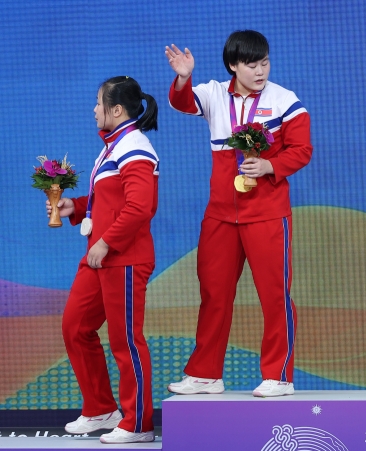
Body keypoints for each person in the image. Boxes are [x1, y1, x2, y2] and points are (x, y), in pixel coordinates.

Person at [164, 30, 312, 398]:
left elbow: (302, 149)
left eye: (265, 63)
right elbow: (182, 103)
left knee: (274, 294)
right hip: (220, 215)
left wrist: (269, 166)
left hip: (266, 213)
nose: (260, 71)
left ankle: (278, 376)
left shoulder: (284, 100)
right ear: (233, 65)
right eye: (251, 64)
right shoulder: (214, 94)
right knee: (214, 294)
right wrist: (183, 77)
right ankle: (206, 375)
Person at [46, 76, 159, 443]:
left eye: (98, 103)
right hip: (99, 257)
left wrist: (107, 242)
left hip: (123, 258)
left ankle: (138, 423)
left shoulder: (135, 147)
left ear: (116, 110)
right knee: (75, 327)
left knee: (126, 340)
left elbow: (141, 207)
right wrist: (75, 207)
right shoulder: (111, 147)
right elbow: (107, 202)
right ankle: (99, 409)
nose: (94, 110)